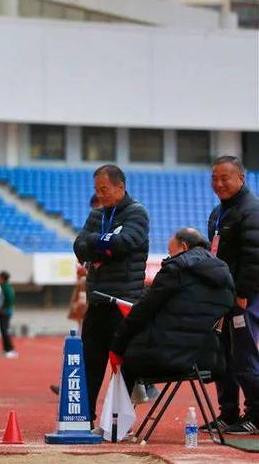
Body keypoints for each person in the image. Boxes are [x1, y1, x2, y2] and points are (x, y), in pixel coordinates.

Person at [110, 229, 234, 393]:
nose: (168, 257)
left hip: (164, 358)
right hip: (206, 360)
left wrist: (117, 344)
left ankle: (118, 417)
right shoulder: (225, 275)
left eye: (170, 252)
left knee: (128, 360)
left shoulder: (175, 268)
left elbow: (143, 311)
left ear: (183, 246)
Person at [73, 164, 149, 426]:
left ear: (120, 186)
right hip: (97, 300)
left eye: (103, 189)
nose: (100, 195)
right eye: (96, 190)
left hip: (123, 302)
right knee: (90, 363)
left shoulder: (137, 213)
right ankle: (86, 417)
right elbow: (79, 246)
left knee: (122, 365)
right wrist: (102, 245)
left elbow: (125, 243)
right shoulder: (97, 215)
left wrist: (97, 244)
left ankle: (119, 421)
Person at [204, 156, 259, 435]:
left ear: (241, 178)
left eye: (225, 177)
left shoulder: (252, 210)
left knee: (245, 355)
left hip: (244, 298)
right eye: (214, 178)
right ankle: (228, 413)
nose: (219, 183)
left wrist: (243, 293)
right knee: (222, 356)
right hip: (222, 298)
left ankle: (257, 415)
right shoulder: (219, 213)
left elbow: (254, 257)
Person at [0, 271, 18, 358]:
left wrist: (1, 308)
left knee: (5, 330)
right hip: (5, 311)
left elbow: (9, 300)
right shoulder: (7, 287)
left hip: (5, 312)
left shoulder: (5, 288)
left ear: (2, 278)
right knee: (3, 330)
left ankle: (10, 349)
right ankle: (6, 349)